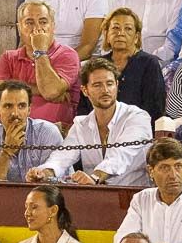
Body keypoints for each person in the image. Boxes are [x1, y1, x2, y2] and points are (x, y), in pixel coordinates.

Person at [28, 58, 152, 186]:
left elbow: (120, 156)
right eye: (97, 85)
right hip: (95, 199)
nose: (105, 90)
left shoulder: (137, 117)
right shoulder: (81, 124)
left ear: (117, 85)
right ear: (85, 90)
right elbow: (62, 157)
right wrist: (43, 173)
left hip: (136, 197)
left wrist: (94, 177)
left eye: (109, 84)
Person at [76, 8, 166, 122]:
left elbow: (154, 109)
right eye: (115, 28)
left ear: (136, 37)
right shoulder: (95, 66)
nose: (120, 33)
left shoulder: (149, 64)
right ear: (106, 34)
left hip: (138, 130)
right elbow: (84, 108)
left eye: (128, 29)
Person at [0, 79, 64, 181]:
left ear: (29, 110)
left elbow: (57, 179)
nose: (15, 113)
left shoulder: (47, 133)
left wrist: (41, 176)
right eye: (8, 106)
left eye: (21, 106)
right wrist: (6, 152)